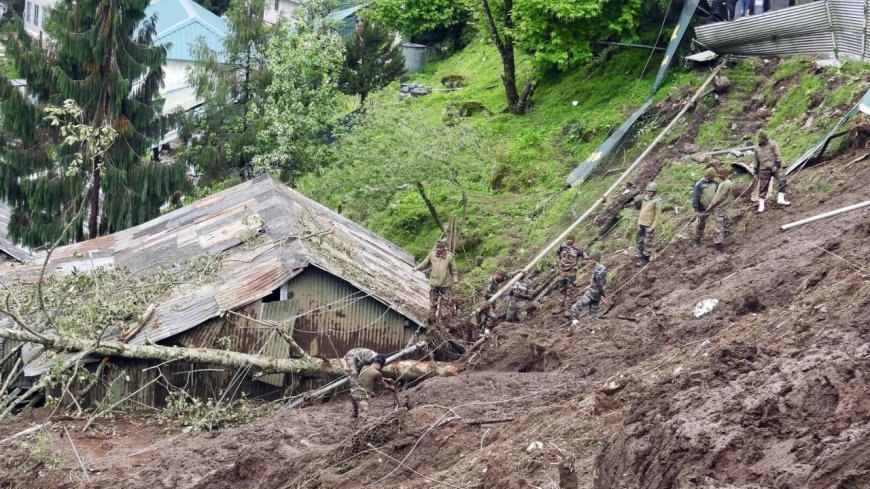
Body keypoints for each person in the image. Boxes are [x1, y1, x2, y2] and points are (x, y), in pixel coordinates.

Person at [413, 238, 459, 323]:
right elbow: (425, 263)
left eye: (441, 248)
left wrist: (455, 282)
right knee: (432, 305)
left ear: (445, 248)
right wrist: (417, 268)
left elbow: (454, 271)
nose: (439, 249)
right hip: (434, 284)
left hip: (445, 285)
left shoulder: (449, 257)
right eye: (438, 248)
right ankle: (431, 323)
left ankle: (445, 324)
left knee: (445, 307)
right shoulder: (432, 254)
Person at [753, 130, 790, 213]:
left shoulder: (773, 144)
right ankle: (761, 205)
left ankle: (780, 199)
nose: (761, 142)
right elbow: (756, 161)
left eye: (762, 140)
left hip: (774, 168)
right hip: (763, 169)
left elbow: (778, 155)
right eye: (760, 140)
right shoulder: (756, 148)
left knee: (782, 179)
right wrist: (755, 172)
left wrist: (777, 165)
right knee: (762, 188)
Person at [350, 356, 394, 420]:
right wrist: (392, 388)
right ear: (380, 364)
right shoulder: (377, 373)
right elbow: (386, 386)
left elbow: (370, 375)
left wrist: (386, 379)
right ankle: (359, 428)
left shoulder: (364, 367)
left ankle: (351, 425)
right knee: (363, 414)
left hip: (354, 394)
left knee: (355, 414)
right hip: (361, 397)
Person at [571, 250, 607, 324]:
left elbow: (599, 283)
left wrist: (602, 294)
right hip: (597, 294)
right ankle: (592, 328)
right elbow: (601, 283)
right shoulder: (601, 268)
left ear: (595, 259)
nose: (589, 261)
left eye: (590, 259)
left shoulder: (598, 269)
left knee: (575, 307)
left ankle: (575, 325)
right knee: (593, 315)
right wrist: (602, 294)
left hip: (592, 292)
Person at [705, 167, 735, 251]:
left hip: (720, 206)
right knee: (724, 221)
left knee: (718, 225)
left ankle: (718, 244)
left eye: (720, 174)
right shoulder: (724, 182)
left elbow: (721, 198)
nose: (718, 176)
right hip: (720, 206)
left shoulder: (726, 183)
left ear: (724, 174)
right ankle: (725, 239)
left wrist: (712, 206)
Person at [636, 182, 662, 266]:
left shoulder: (657, 201)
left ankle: (644, 259)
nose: (649, 192)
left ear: (654, 192)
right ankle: (641, 256)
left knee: (647, 243)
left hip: (649, 225)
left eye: (651, 191)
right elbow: (642, 211)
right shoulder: (645, 198)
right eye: (648, 191)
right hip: (641, 224)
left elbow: (657, 217)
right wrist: (639, 222)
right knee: (639, 241)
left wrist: (652, 227)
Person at [692, 167, 719, 245]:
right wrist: (696, 209)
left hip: (713, 206)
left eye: (713, 176)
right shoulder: (699, 184)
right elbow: (695, 196)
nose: (712, 178)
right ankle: (697, 240)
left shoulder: (715, 183)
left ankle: (724, 235)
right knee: (701, 225)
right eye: (711, 176)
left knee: (721, 220)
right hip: (703, 208)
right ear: (707, 175)